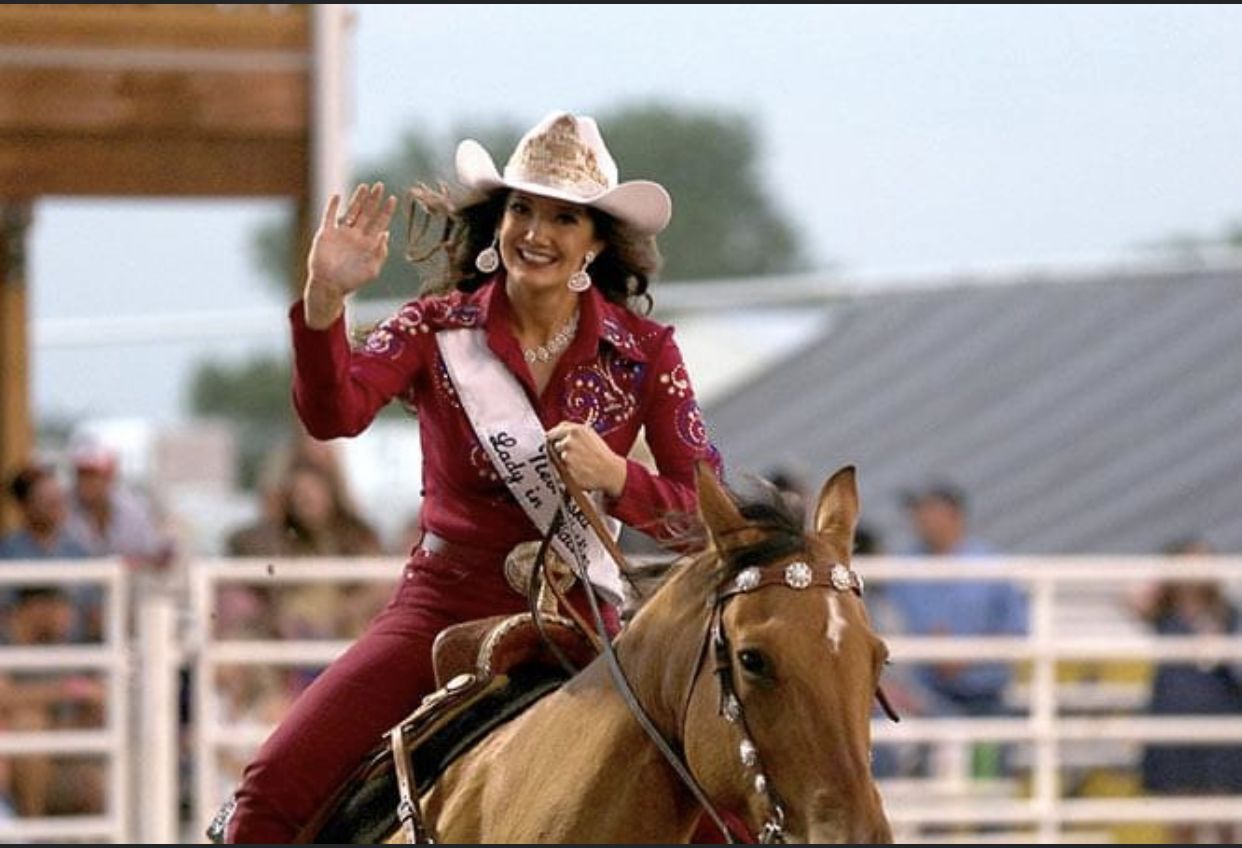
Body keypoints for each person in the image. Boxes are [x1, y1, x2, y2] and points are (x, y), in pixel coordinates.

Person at [223, 111, 723, 842]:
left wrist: (618, 476)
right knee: (271, 793)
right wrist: (324, 300)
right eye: (522, 208)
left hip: (586, 626)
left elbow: (708, 516)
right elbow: (334, 413)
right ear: (498, 222)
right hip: (440, 615)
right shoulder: (435, 328)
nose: (536, 232)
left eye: (564, 217)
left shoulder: (646, 353)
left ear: (594, 243)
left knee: (724, 813)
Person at [1140, 538, 1242, 841]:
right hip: (1175, 718)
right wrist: (1167, 579)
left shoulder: (1228, 613)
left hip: (1220, 718)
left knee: (1225, 815)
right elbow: (1134, 600)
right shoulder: (1165, 612)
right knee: (1182, 819)